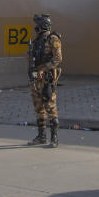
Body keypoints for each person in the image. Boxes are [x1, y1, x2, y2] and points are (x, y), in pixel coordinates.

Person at [26, 13, 63, 147]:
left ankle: (54, 138)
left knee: (50, 107)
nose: (36, 27)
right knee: (38, 107)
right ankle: (41, 136)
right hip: (36, 78)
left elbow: (58, 59)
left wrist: (43, 69)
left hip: (47, 78)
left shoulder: (53, 39)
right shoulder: (36, 41)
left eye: (38, 24)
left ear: (43, 25)